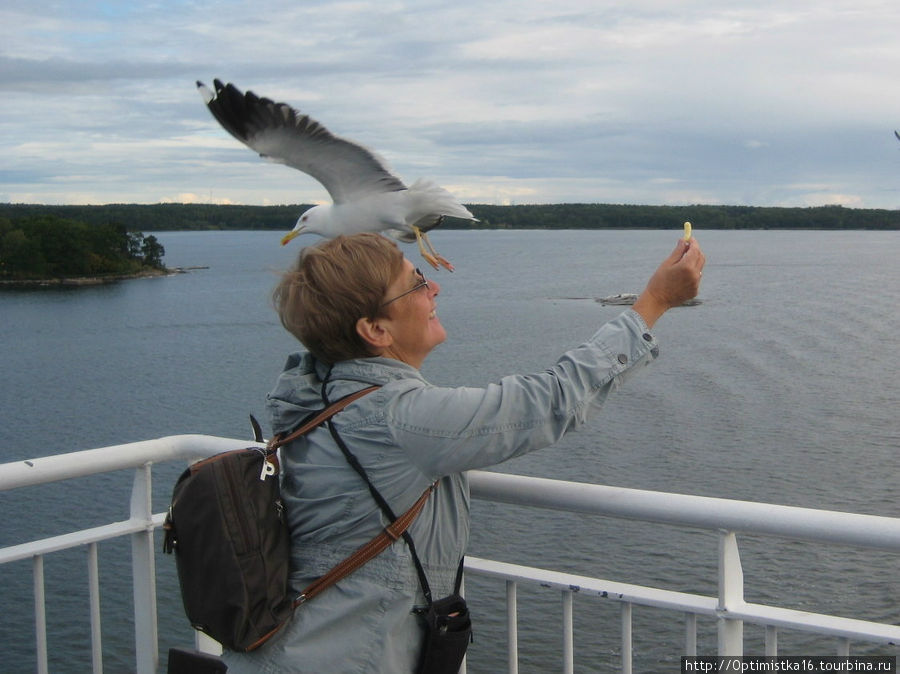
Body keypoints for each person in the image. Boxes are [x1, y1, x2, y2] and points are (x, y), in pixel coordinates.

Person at [222, 232, 705, 673]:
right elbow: (551, 401)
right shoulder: (396, 418)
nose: (434, 290)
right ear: (375, 330)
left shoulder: (319, 396)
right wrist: (655, 302)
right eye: (415, 284)